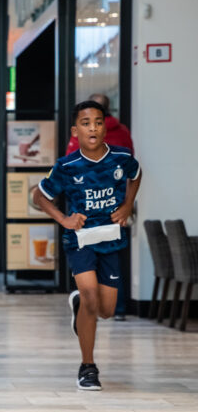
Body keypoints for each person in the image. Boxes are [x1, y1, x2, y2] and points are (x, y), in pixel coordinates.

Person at [34, 100, 142, 391]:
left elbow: (136, 175)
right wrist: (63, 219)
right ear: (75, 130)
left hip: (110, 240)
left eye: (97, 121)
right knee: (92, 295)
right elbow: (38, 196)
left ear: (104, 126)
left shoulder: (121, 157)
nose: (92, 127)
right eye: (85, 122)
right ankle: (88, 367)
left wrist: (128, 205)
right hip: (80, 240)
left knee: (105, 309)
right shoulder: (67, 166)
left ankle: (81, 304)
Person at [66, 94, 135, 321]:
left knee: (86, 251)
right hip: (114, 206)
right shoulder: (123, 132)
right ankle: (118, 309)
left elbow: (72, 162)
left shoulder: (84, 134)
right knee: (111, 254)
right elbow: (130, 165)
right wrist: (126, 204)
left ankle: (87, 299)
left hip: (87, 205)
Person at [65, 94, 133, 155]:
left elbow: (70, 158)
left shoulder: (81, 131)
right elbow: (130, 154)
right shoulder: (123, 130)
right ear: (108, 107)